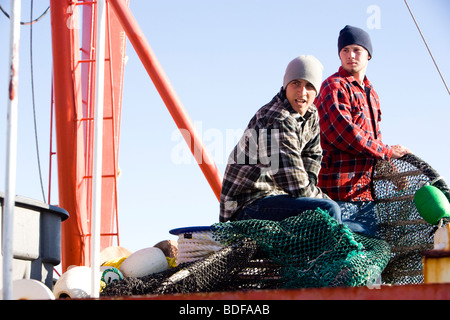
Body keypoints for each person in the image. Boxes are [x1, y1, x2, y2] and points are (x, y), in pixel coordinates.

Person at [219, 55, 342, 224]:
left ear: (316, 91)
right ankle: (329, 251)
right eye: (295, 83)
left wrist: (312, 190)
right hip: (246, 205)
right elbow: (295, 184)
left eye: (309, 86)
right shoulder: (277, 119)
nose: (302, 92)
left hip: (276, 197)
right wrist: (321, 199)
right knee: (329, 209)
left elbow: (312, 155)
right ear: (285, 86)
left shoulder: (311, 114)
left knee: (348, 219)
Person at [316, 25, 411, 236]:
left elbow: (373, 139)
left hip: (367, 197)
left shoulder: (372, 94)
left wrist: (391, 171)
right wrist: (387, 151)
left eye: (356, 50)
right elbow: (345, 134)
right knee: (343, 260)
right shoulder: (333, 86)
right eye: (345, 50)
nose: (350, 55)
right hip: (338, 196)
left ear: (368, 54)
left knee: (368, 263)